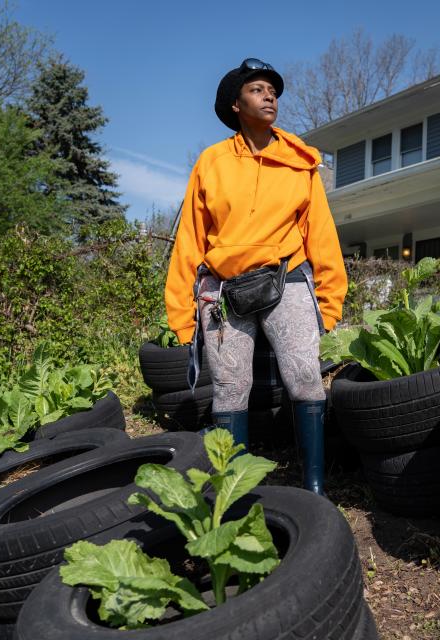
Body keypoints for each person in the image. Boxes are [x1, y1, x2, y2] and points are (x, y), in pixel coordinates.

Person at [165, 58, 347, 495]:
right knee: (230, 388)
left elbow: (321, 234)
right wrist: (181, 316)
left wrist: (329, 299)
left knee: (305, 376)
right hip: (222, 288)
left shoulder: (300, 161)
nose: (270, 96)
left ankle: (315, 488)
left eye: (273, 90)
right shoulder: (211, 162)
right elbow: (189, 237)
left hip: (287, 280)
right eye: (257, 90)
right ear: (235, 105)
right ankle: (236, 492)